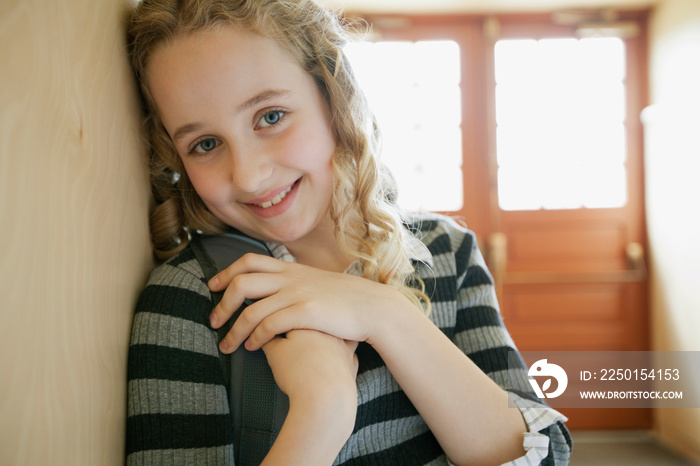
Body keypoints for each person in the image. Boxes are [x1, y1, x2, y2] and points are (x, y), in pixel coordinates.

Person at [125, 0, 572, 464]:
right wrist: (320, 415)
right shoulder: (192, 301)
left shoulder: (446, 251)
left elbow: (544, 455)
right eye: (206, 144)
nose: (249, 177)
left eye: (271, 116)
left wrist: (386, 315)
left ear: (333, 97)